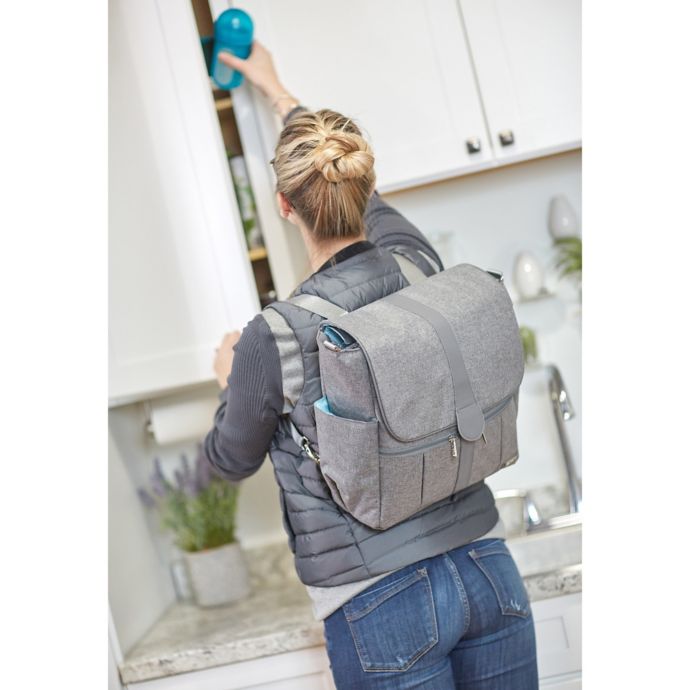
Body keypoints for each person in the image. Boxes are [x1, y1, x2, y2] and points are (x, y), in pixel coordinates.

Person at [203, 41, 538, 690]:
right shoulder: (419, 266)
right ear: (365, 183)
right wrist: (279, 91)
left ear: (284, 205)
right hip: (487, 568)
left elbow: (228, 460)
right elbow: (363, 196)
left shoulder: (272, 337)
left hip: (377, 604)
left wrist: (228, 382)